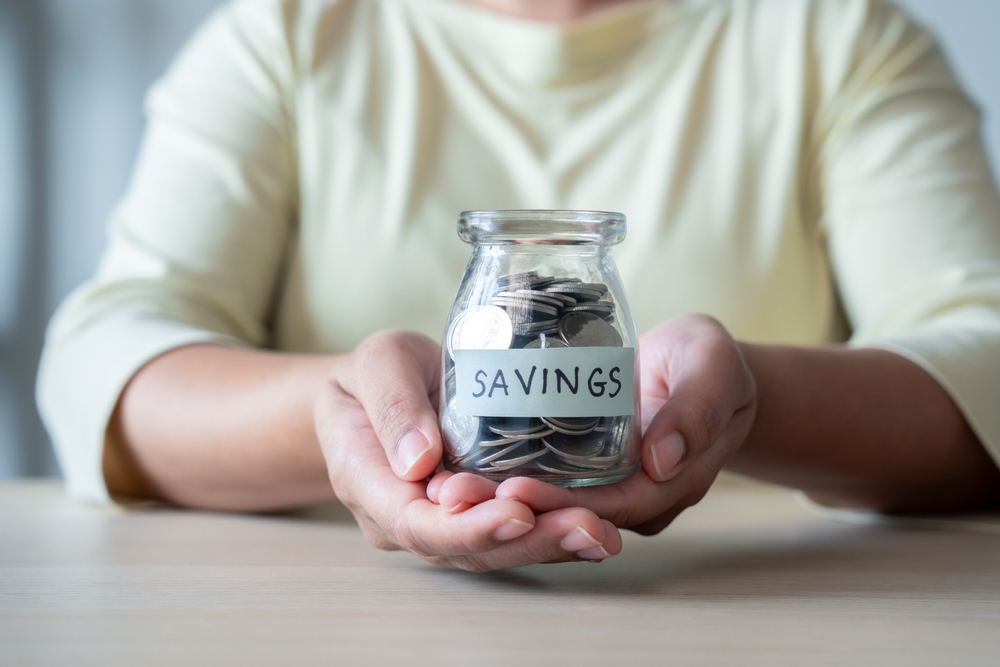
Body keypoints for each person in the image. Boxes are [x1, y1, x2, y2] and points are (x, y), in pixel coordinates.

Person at [38, 0, 1000, 571]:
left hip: (745, 608)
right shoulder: (288, 33)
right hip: (354, 625)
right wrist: (350, 416)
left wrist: (749, 394)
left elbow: (983, 352)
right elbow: (99, 361)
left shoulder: (838, 37)